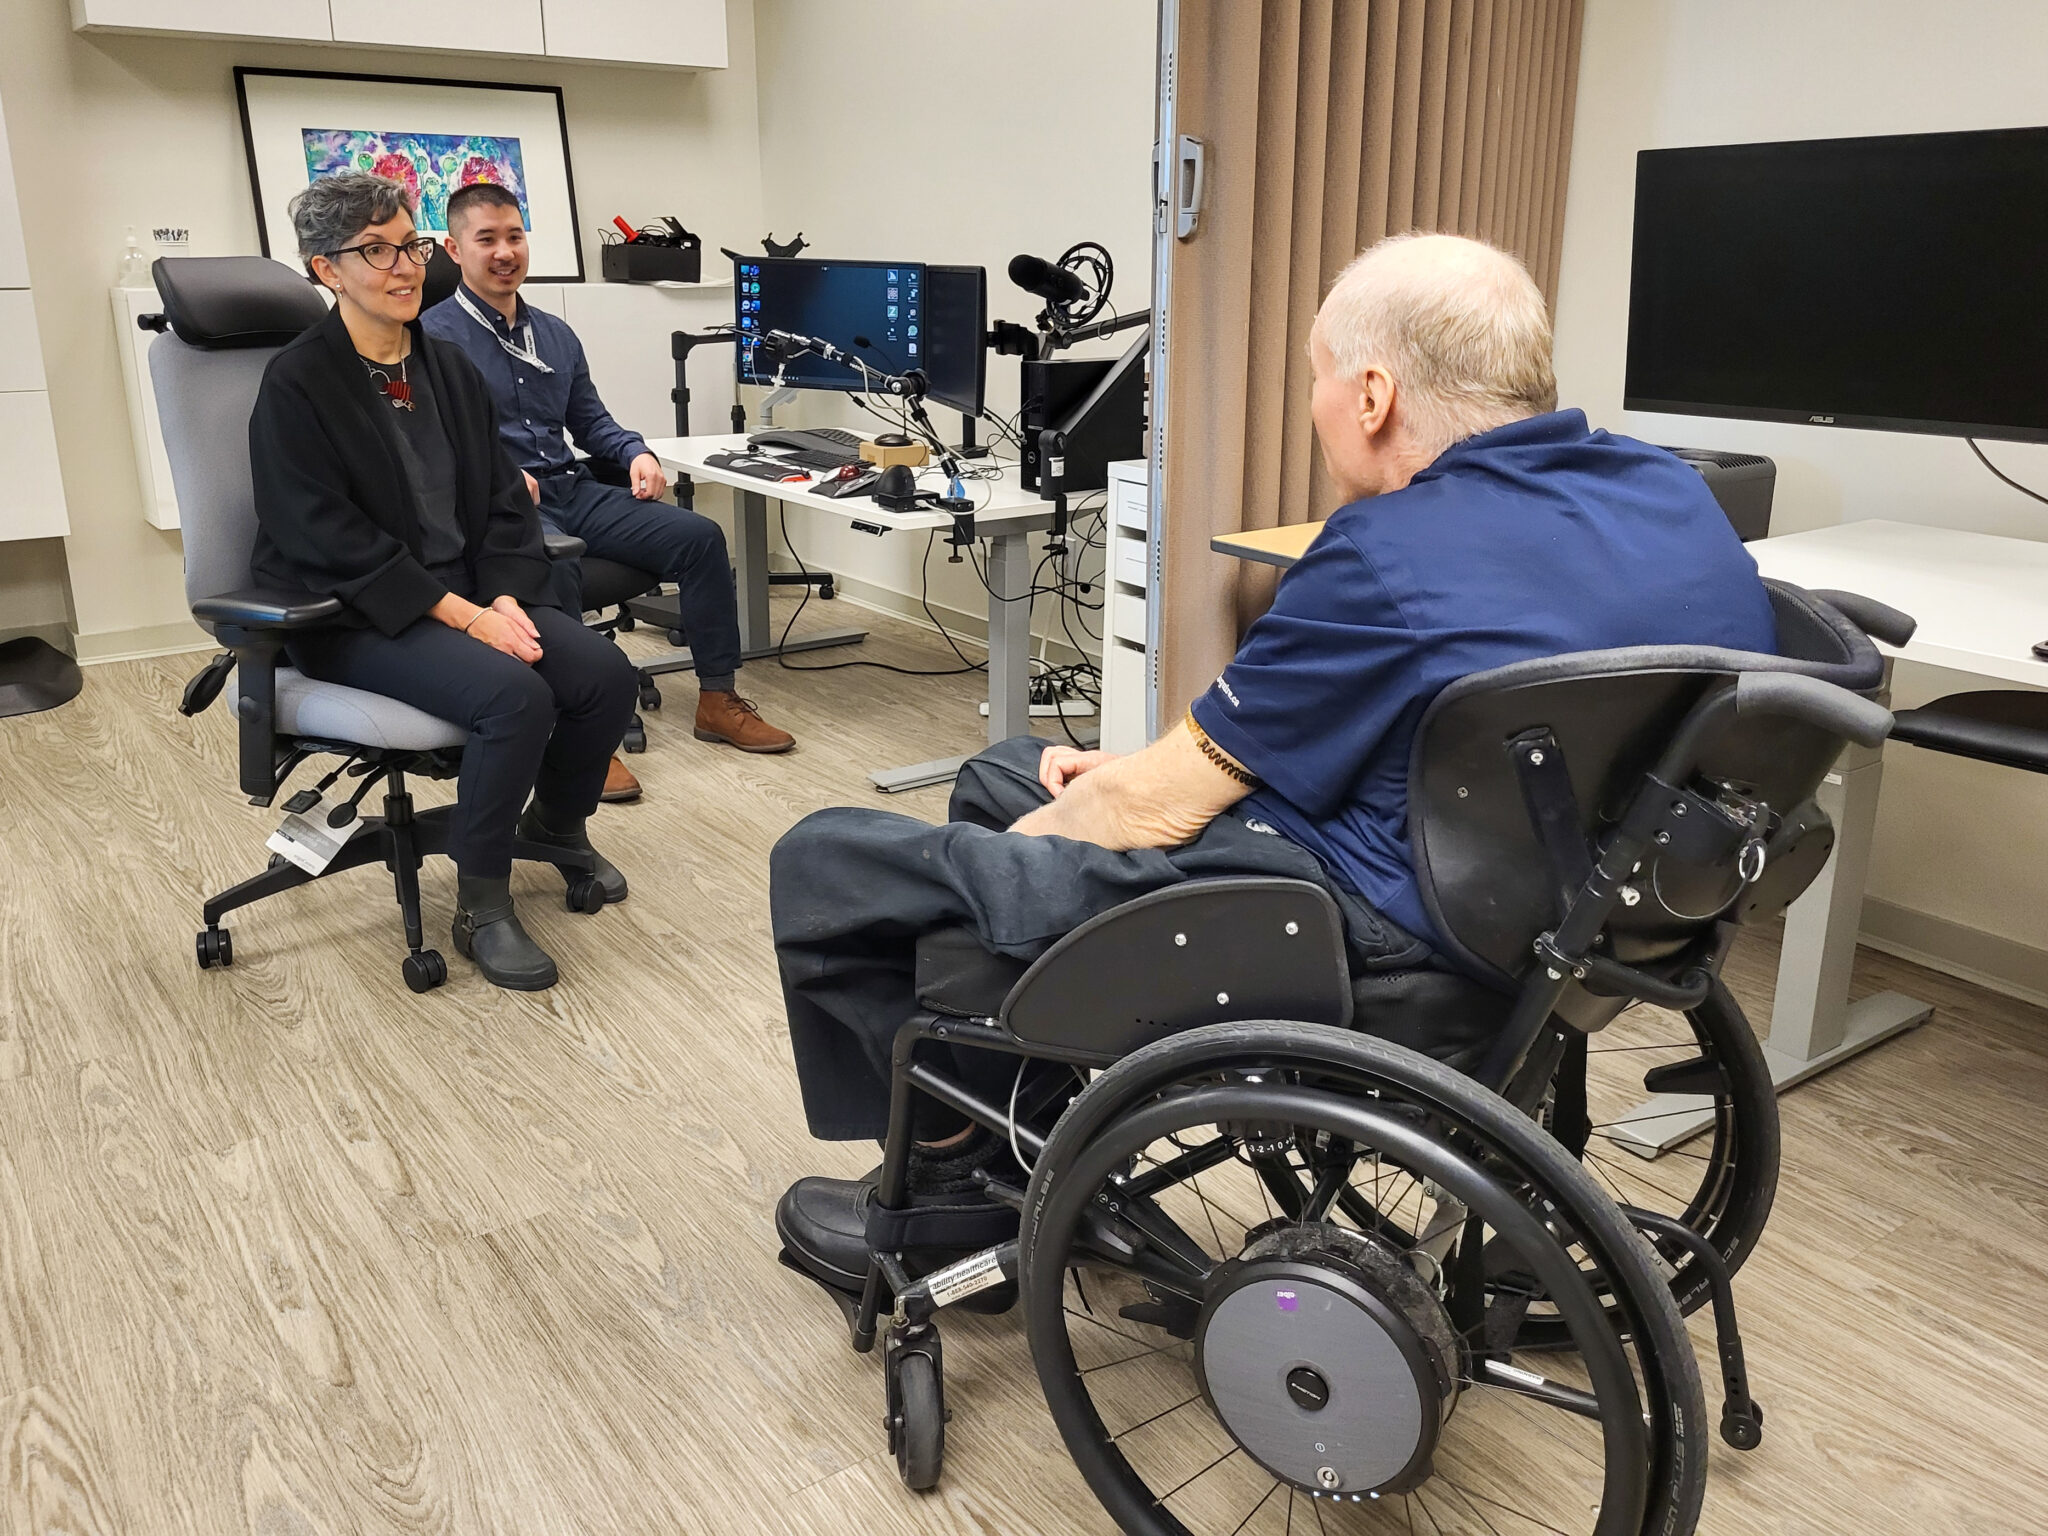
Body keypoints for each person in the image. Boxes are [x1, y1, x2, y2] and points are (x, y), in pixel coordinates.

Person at [767, 232, 1781, 1299]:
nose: (1314, 404)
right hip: (1562, 917)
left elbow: (1154, 813)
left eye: (1315, 378)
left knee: (840, 861)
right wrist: (1097, 791)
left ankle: (936, 1199)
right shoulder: (1671, 500)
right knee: (1014, 767)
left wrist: (1005, 869)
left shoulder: (1390, 554)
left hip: (1365, 935)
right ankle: (1004, 1149)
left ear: (1374, 395)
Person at [249, 171, 638, 993]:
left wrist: (503, 594)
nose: (404, 266)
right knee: (514, 696)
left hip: (466, 592)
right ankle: (482, 904)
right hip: (355, 612)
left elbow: (502, 498)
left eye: (411, 244)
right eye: (377, 251)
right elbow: (322, 533)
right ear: (328, 270)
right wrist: (465, 618)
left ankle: (559, 828)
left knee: (603, 674)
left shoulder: (447, 366)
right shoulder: (297, 382)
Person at [422, 181, 796, 792]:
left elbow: (588, 419)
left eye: (514, 237)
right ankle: (582, 736)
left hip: (571, 488)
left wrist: (635, 452)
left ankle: (717, 699)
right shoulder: (431, 339)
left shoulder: (554, 332)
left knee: (700, 537)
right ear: (453, 249)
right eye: (485, 239)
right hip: (500, 508)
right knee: (552, 561)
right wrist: (494, 478)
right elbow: (430, 445)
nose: (504, 252)